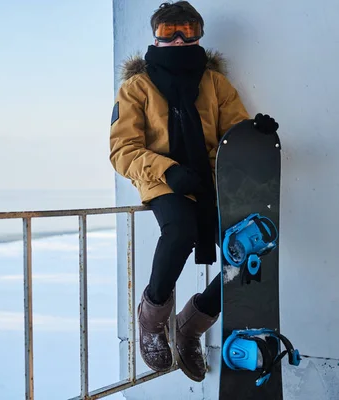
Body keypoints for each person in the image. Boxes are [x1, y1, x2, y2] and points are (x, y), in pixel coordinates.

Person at [108, 1, 279, 382]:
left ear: (199, 35)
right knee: (181, 231)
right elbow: (122, 151)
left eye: (188, 31)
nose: (181, 39)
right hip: (164, 181)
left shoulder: (214, 82)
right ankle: (152, 319)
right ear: (156, 37)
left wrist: (256, 133)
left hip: (211, 181)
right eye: (171, 33)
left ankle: (192, 324)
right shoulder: (136, 87)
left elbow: (233, 131)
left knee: (251, 251)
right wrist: (169, 172)